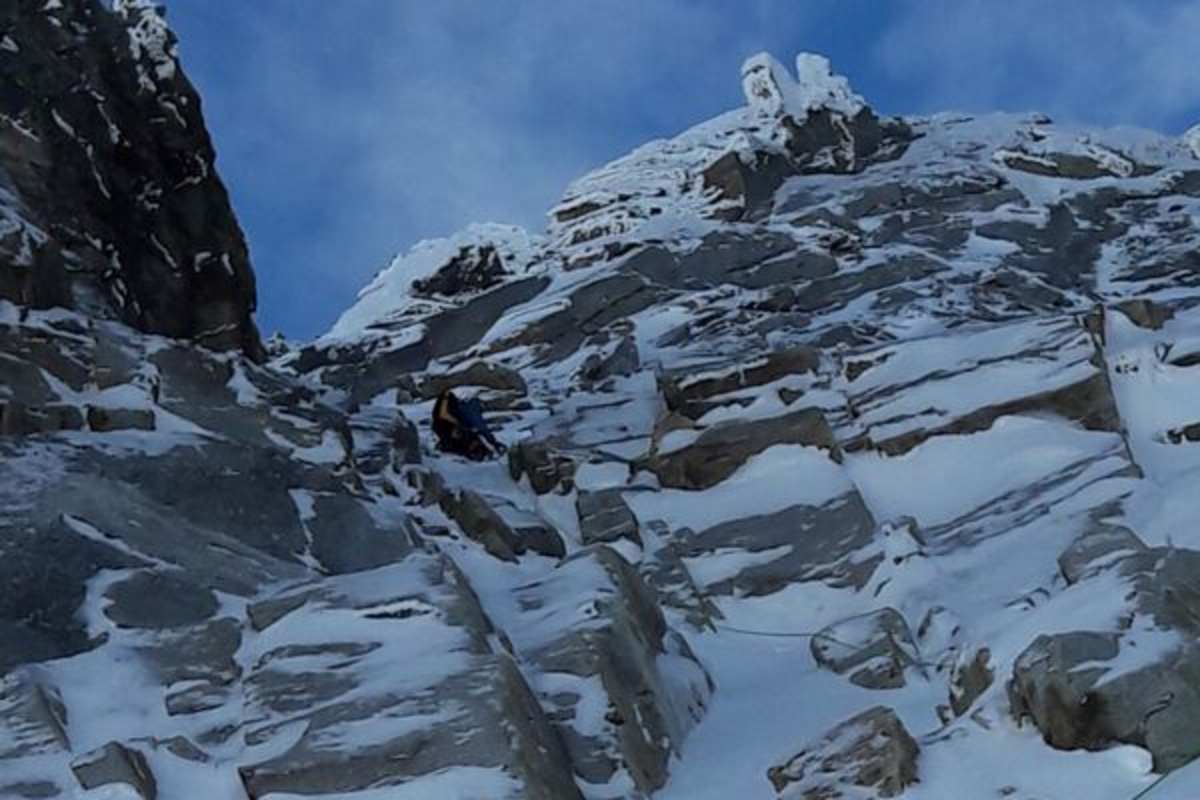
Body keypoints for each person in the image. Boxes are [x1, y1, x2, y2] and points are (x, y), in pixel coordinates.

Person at [431, 389, 505, 460]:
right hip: (459, 422)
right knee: (475, 420)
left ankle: (490, 446)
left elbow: (443, 414)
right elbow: (443, 414)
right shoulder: (441, 418)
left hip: (457, 420)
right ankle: (491, 446)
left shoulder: (441, 426)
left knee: (474, 418)